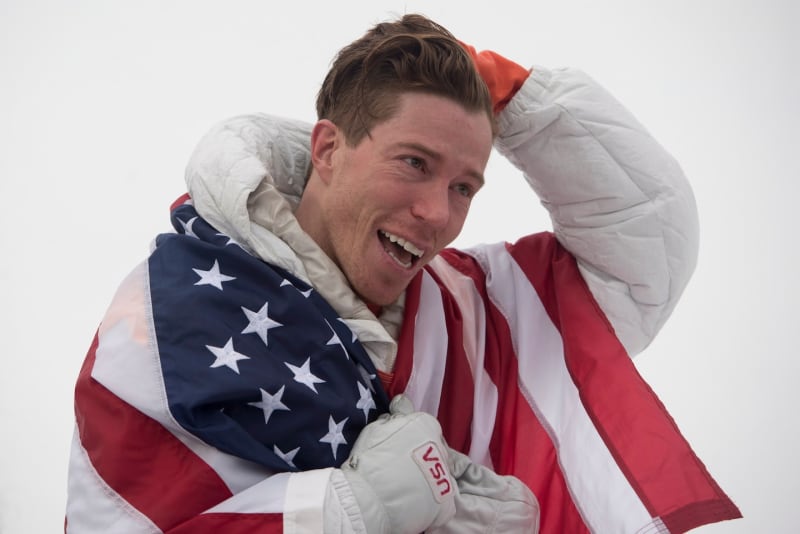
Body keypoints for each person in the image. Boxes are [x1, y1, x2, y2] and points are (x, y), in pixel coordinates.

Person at [65, 13, 740, 534]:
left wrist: (528, 106)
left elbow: (644, 255)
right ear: (327, 147)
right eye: (414, 162)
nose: (436, 214)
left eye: (465, 187)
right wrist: (354, 510)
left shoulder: (471, 305)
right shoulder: (168, 312)